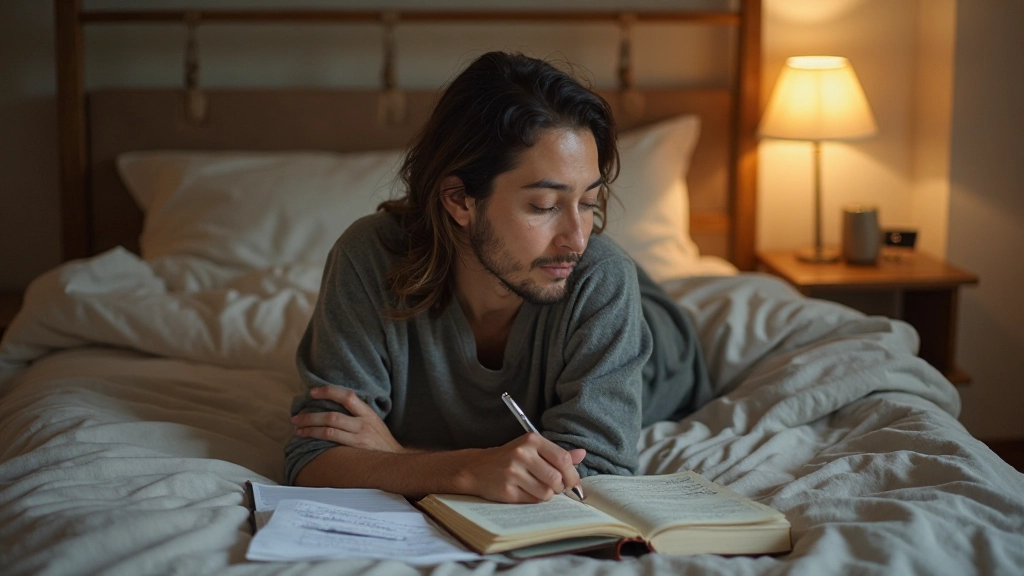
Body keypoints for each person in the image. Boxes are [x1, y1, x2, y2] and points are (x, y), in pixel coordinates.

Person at [285, 51, 709, 504]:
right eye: (545, 206)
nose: (577, 237)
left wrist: (399, 456)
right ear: (459, 200)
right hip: (547, 281)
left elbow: (591, 476)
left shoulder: (600, 275)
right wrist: (467, 469)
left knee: (606, 268)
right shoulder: (368, 257)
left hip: (658, 349)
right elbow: (314, 455)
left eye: (589, 204)